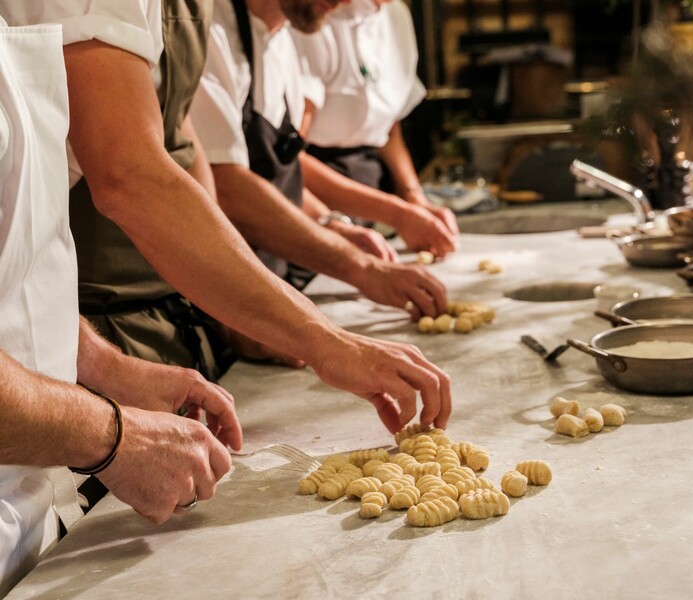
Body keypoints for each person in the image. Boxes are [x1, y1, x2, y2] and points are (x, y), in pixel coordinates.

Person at [0, 0, 452, 434]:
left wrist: (226, 310)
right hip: (111, 309)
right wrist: (325, 339)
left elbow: (182, 141)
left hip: (130, 318)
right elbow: (130, 176)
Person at [0, 16, 242, 595]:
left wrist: (109, 370)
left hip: (33, 530)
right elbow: (129, 173)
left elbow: (17, 271)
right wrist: (111, 436)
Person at [188, 0, 447, 315]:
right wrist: (360, 267)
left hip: (270, 277)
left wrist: (332, 225)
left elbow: (285, 171)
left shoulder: (283, 42)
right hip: (222, 291)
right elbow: (225, 185)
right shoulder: (209, 34)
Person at [291, 0, 460, 251]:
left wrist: (413, 197)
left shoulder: (396, 15)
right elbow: (289, 162)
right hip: (309, 194)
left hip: (369, 190)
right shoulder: (315, 13)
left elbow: (389, 130)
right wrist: (398, 214)